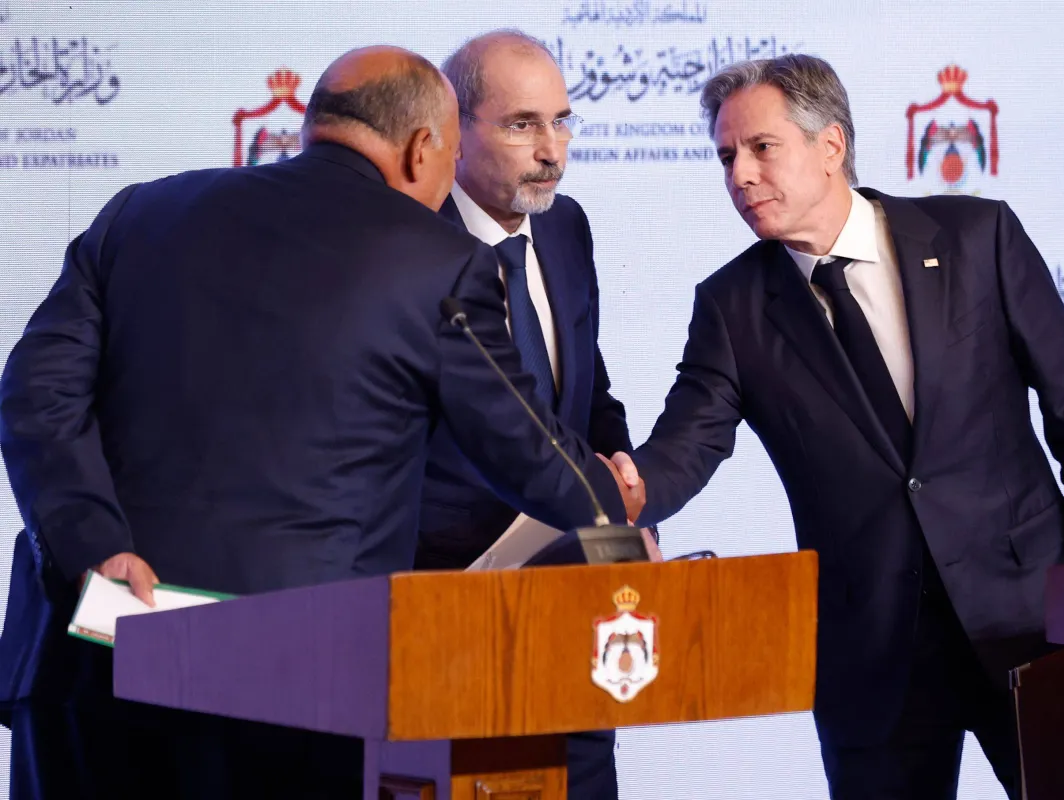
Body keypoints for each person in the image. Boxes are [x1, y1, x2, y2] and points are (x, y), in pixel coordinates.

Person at [0, 45, 640, 799]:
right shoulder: (439, 261)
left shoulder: (140, 211)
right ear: (422, 149)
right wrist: (609, 503)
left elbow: (34, 397)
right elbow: (525, 449)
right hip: (289, 687)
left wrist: (95, 547)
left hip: (88, 661)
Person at [610, 54, 1064, 800]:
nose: (740, 175)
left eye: (762, 148)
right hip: (872, 659)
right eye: (727, 157)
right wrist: (623, 491)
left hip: (1036, 625)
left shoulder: (976, 237)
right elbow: (685, 447)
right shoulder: (732, 306)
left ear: (830, 145)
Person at [414, 29, 646, 799]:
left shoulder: (566, 225)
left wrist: (620, 490)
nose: (552, 151)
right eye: (523, 125)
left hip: (574, 599)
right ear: (453, 130)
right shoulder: (406, 246)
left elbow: (588, 392)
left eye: (562, 122)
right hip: (445, 610)